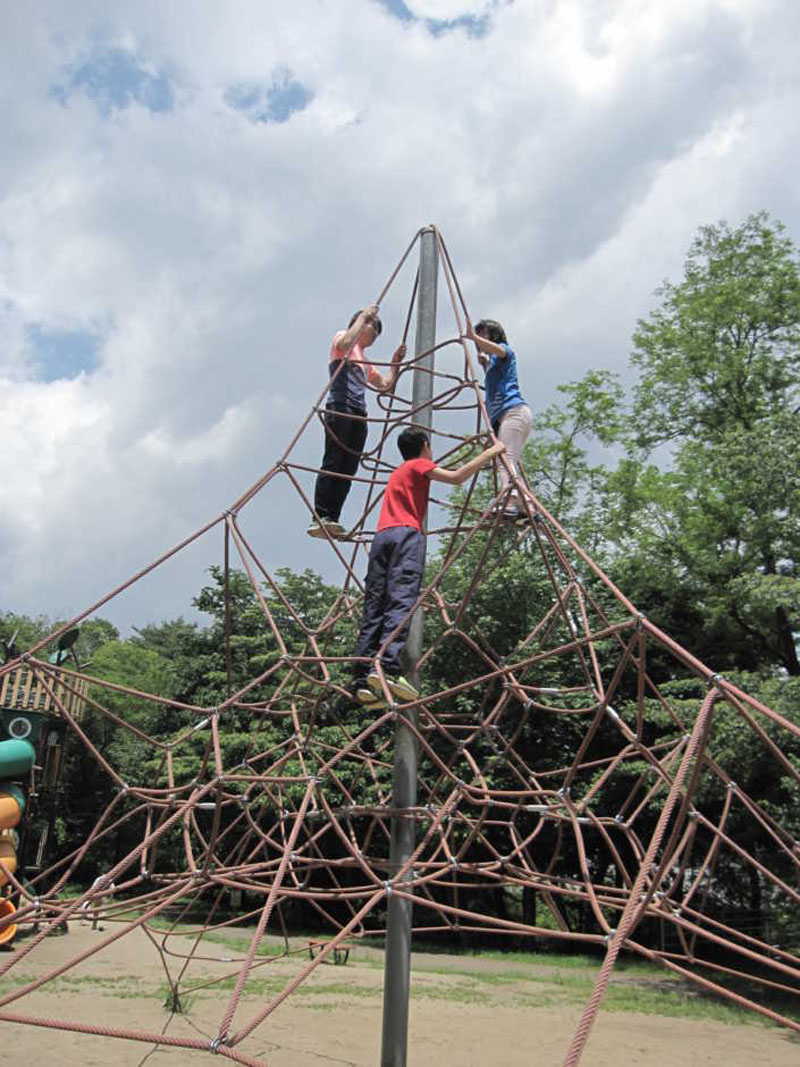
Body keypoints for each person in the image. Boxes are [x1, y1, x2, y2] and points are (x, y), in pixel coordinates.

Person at [353, 428, 505, 705]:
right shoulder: (418, 464)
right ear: (425, 445)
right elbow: (456, 477)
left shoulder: (398, 472)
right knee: (401, 600)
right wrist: (491, 452)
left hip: (382, 537)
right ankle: (387, 666)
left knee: (375, 605)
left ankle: (363, 678)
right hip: (405, 536)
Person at [309, 305, 406, 539]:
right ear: (361, 324)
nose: (375, 334)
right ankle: (320, 516)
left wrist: (395, 363)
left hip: (358, 412)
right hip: (341, 406)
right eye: (374, 327)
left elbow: (385, 385)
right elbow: (344, 344)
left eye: (378, 331)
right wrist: (364, 316)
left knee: (348, 466)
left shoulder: (365, 362)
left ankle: (333, 518)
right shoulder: (343, 339)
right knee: (334, 460)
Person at [466, 318, 532, 517]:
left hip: (514, 412)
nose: (480, 338)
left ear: (493, 335)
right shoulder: (494, 362)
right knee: (506, 461)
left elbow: (500, 351)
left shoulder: (505, 351)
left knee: (506, 459)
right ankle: (527, 505)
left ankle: (509, 501)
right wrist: (486, 365)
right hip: (508, 416)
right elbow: (496, 383)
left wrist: (472, 337)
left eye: (483, 333)